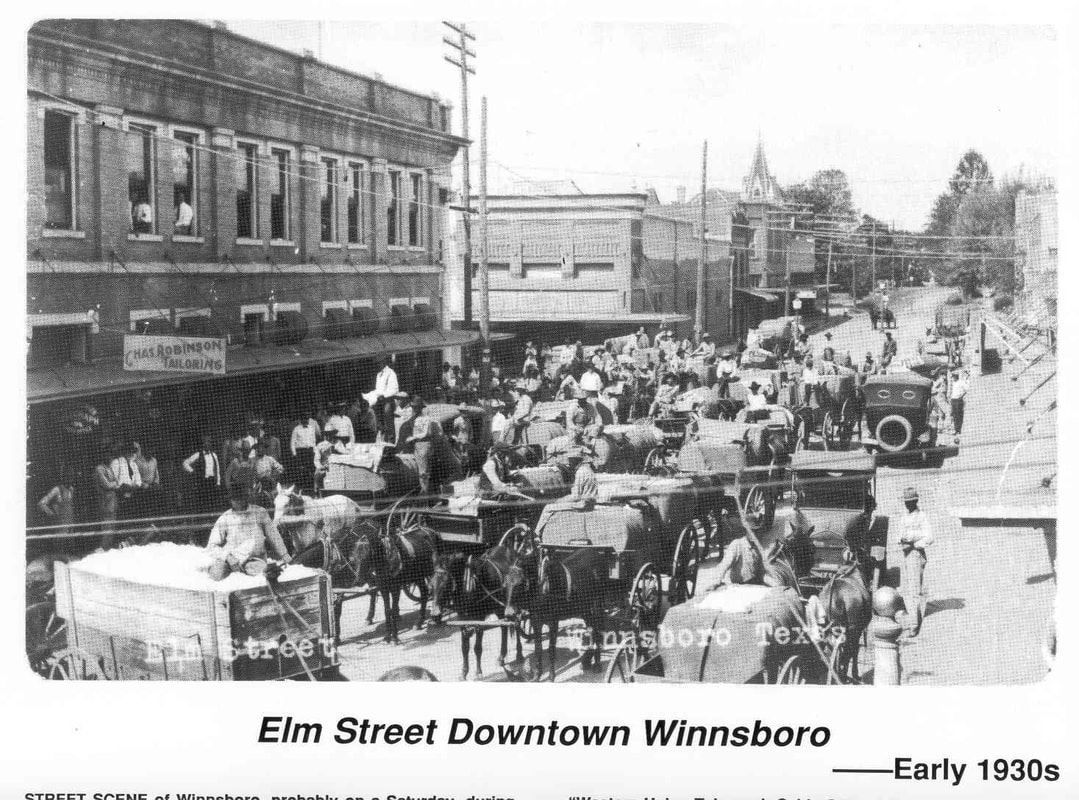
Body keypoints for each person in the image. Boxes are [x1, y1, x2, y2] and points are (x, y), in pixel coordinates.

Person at [205, 483, 291, 580]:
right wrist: (228, 557)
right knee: (216, 575)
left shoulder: (260, 512)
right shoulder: (225, 518)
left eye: (241, 498)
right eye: (235, 499)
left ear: (246, 497)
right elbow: (211, 546)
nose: (238, 502)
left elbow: (274, 536)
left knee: (269, 574)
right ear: (230, 500)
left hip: (254, 560)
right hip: (231, 559)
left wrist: (285, 555)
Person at [897, 487, 933, 637]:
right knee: (906, 589)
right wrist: (904, 538)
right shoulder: (904, 516)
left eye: (911, 502)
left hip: (916, 554)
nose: (908, 504)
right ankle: (911, 619)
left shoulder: (922, 516)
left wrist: (913, 541)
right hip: (906, 553)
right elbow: (899, 535)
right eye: (906, 502)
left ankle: (914, 625)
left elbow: (929, 537)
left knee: (914, 591)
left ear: (916, 501)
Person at [406, 396, 443, 496]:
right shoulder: (413, 419)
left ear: (420, 407)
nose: (414, 409)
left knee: (423, 472)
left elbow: (427, 433)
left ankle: (424, 494)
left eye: (416, 407)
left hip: (424, 445)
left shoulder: (426, 419)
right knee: (417, 470)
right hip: (416, 445)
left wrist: (413, 437)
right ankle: (422, 492)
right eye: (413, 407)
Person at [183, 435, 223, 512]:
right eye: (205, 442)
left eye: (209, 442)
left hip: (212, 481)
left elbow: (217, 469)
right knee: (203, 502)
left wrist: (218, 482)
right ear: (203, 443)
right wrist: (192, 471)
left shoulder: (214, 455)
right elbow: (185, 463)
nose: (207, 444)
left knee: (212, 502)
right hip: (202, 482)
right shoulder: (198, 454)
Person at [92, 452, 121, 549]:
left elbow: (117, 481)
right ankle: (103, 547)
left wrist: (114, 483)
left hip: (112, 501)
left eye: (111, 456)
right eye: (108, 455)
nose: (110, 458)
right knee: (106, 526)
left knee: (112, 526)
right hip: (104, 500)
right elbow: (107, 485)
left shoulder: (109, 468)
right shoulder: (99, 469)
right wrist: (114, 484)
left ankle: (109, 548)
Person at [37, 466, 76, 536]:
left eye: (72, 476)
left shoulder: (71, 489)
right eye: (68, 475)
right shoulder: (56, 490)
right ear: (63, 476)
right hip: (59, 526)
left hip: (70, 526)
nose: (70, 478)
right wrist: (52, 514)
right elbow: (41, 504)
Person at [365, 357, 400, 433]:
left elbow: (394, 390)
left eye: (379, 363)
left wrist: (383, 395)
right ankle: (380, 430)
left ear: (384, 362)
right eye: (376, 363)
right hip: (380, 400)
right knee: (371, 410)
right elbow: (378, 390)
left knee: (387, 410)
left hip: (390, 399)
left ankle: (390, 434)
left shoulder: (391, 373)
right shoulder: (379, 374)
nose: (377, 365)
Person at [949, 371, 969, 441]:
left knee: (959, 415)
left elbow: (967, 389)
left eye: (953, 377)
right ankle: (956, 430)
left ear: (956, 377)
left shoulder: (961, 382)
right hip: (953, 400)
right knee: (954, 415)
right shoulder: (953, 383)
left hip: (958, 400)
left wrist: (961, 396)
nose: (952, 378)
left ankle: (959, 429)